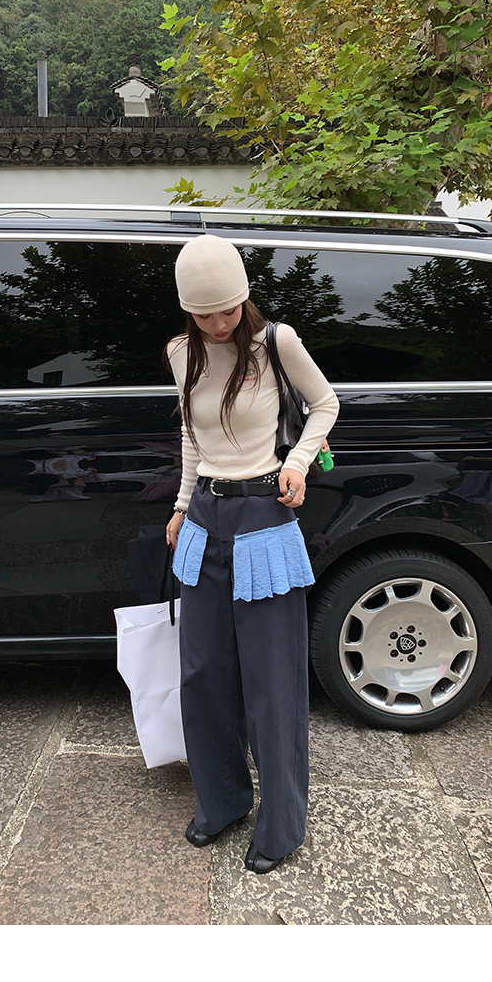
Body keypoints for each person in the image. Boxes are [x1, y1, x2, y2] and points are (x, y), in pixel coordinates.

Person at [164, 234, 340, 874]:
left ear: (245, 297)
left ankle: (281, 825)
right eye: (204, 313)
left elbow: (325, 403)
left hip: (265, 514)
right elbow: (192, 435)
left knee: (273, 679)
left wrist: (298, 461)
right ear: (187, 309)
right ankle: (223, 801)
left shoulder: (276, 343)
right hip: (205, 519)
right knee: (202, 673)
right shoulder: (180, 352)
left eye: (229, 309)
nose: (218, 324)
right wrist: (181, 506)